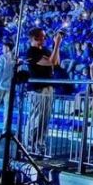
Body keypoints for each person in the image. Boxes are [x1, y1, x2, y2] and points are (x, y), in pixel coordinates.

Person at [25, 27, 63, 155]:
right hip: (38, 89)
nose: (45, 39)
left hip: (48, 87)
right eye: (43, 36)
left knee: (45, 118)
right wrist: (56, 43)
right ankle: (29, 144)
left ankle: (39, 144)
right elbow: (50, 62)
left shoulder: (45, 50)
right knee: (36, 118)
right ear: (35, 38)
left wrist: (56, 46)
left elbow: (56, 62)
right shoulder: (31, 52)